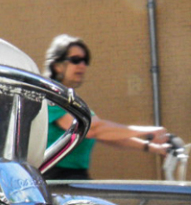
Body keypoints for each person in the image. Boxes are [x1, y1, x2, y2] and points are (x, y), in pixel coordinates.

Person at [41, 34, 172, 179]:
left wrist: (153, 147)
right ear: (57, 66)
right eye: (76, 60)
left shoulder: (72, 101)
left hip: (75, 178)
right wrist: (148, 131)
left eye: (85, 60)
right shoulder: (52, 98)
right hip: (55, 180)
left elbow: (106, 134)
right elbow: (93, 130)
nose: (82, 65)